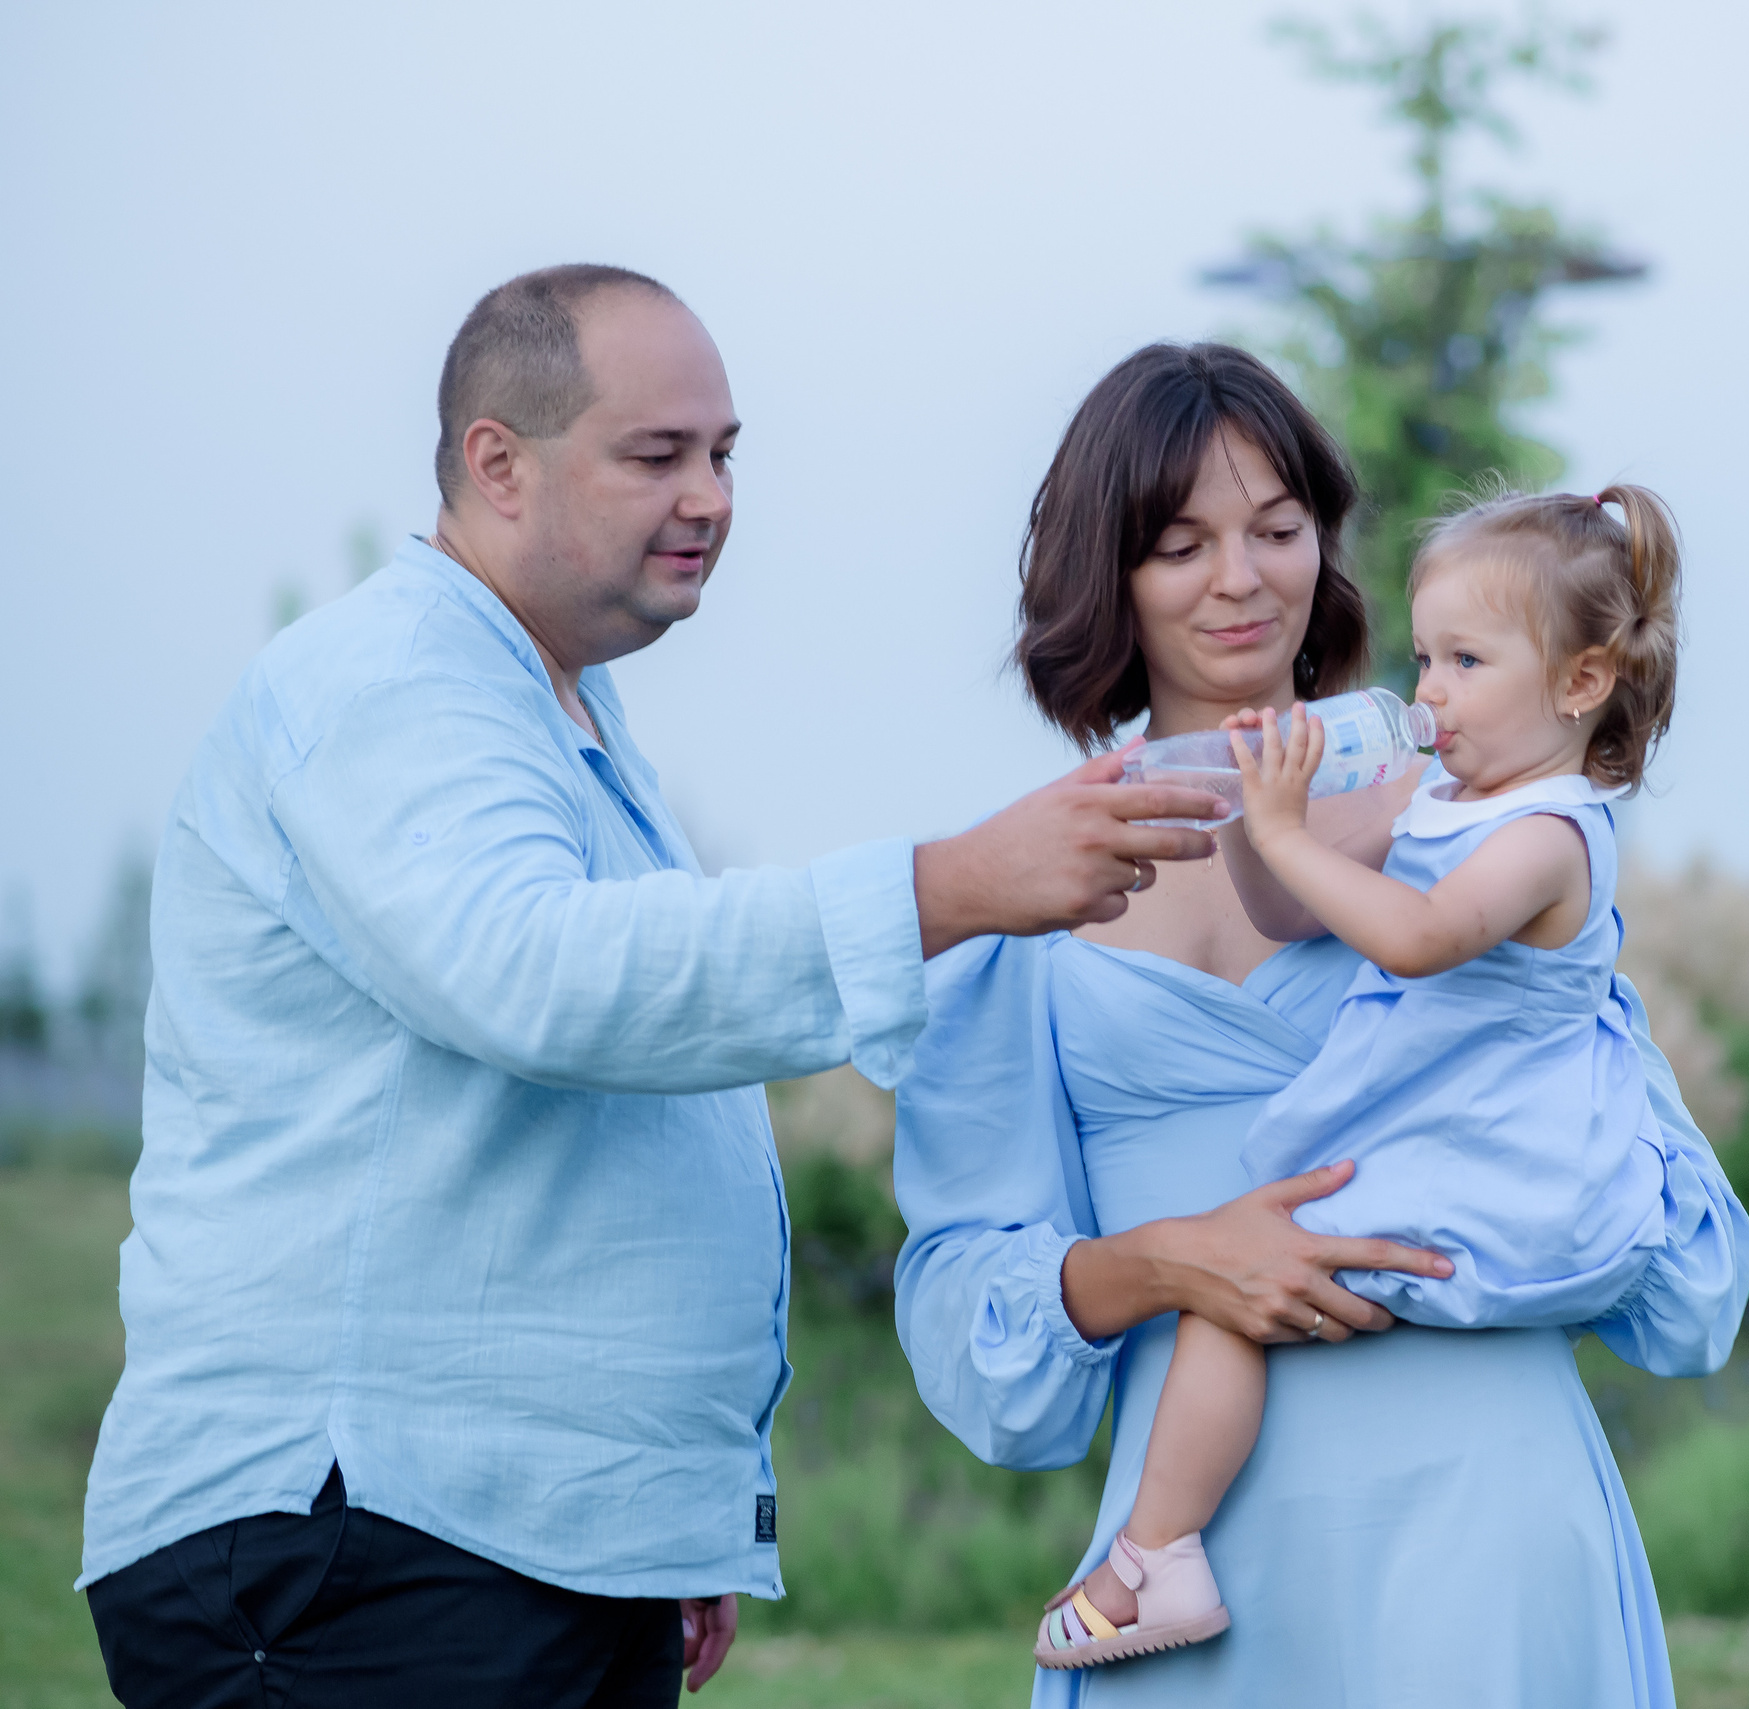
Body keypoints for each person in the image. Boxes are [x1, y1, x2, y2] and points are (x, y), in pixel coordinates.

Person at [76, 265, 1225, 1709]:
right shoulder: (388, 683)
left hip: (514, 1545)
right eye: (657, 454)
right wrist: (952, 887)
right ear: (497, 462)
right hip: (359, 1543)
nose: (712, 497)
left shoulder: (558, 715)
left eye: (726, 453)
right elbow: (541, 978)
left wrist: (656, 1510)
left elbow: (616, 1101)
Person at [893, 341, 1749, 1707]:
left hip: (1487, 1512)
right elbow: (971, 1319)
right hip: (1193, 1559)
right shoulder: (1027, 888)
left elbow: (1688, 1272)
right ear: (1102, 574)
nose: (1241, 578)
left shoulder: (1481, 829)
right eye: (1180, 544)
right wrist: (1175, 1262)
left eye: (1279, 530)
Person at [1031, 485, 1689, 1669]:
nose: (1426, 691)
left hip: (1472, 1168)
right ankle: (1162, 1548)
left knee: (1247, 1276)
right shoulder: (1439, 799)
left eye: (1466, 660)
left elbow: (1419, 938)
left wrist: (1286, 830)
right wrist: (1247, 805)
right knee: (1239, 1277)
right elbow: (1286, 910)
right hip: (1414, 1147)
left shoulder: (1552, 829)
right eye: (1426, 654)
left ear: (1580, 683)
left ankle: (1153, 1555)